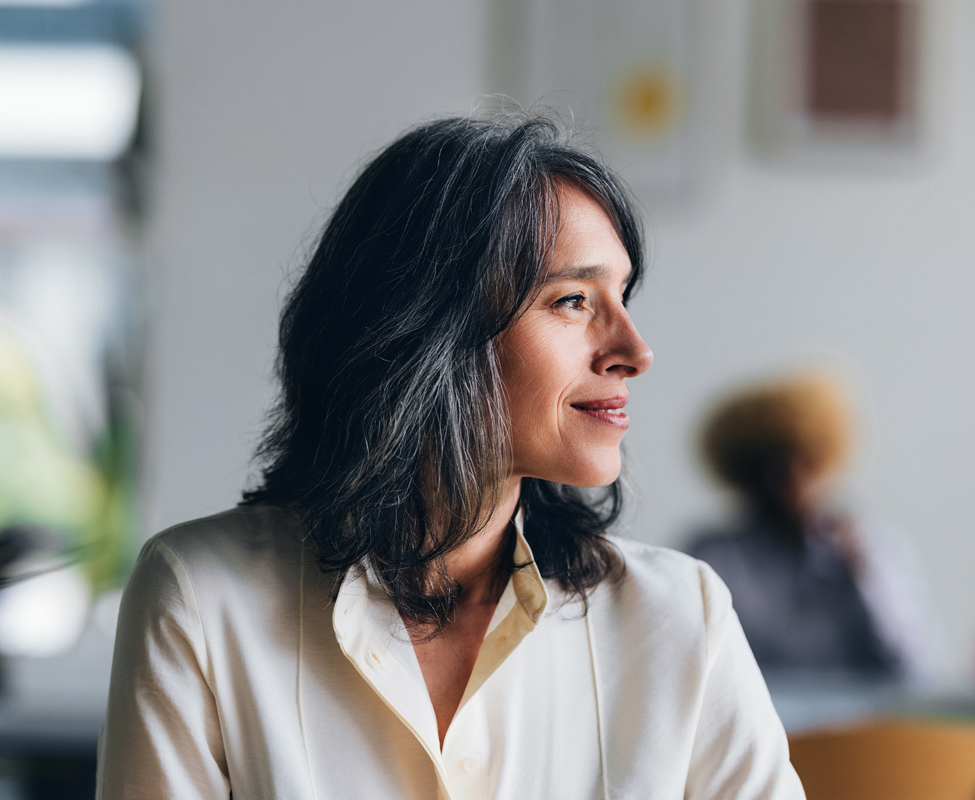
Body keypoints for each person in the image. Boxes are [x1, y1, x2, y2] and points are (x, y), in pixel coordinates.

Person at [97, 116, 805, 799]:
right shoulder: (199, 600)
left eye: (621, 296)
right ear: (428, 329)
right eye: (572, 301)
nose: (634, 352)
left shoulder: (682, 617)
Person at [685, 371, 935, 681]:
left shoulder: (871, 548)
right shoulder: (715, 557)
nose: (790, 479)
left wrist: (862, 576)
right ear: (747, 472)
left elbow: (912, 669)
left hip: (859, 724)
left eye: (804, 461)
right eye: (771, 463)